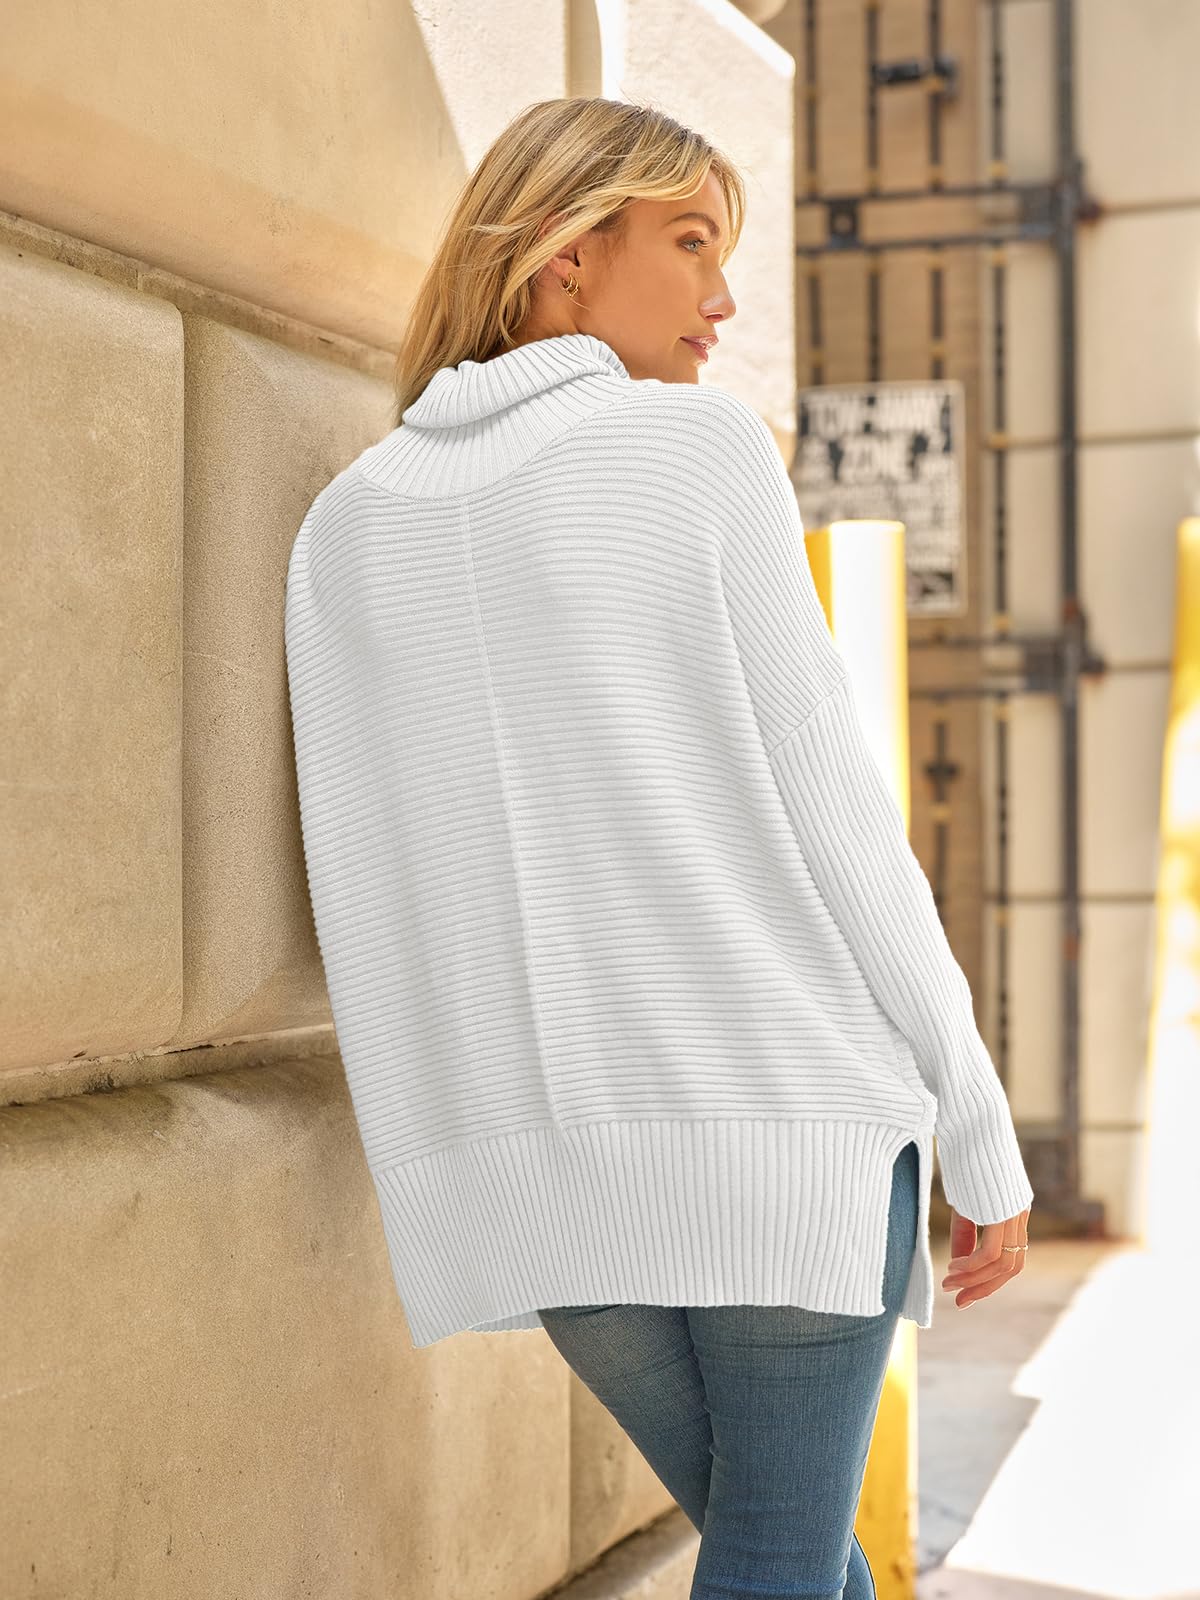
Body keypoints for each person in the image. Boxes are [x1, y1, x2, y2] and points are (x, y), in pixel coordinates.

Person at [283, 96, 1032, 1599]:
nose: (724, 297)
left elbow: (362, 886)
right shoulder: (695, 450)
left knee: (797, 1560)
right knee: (778, 1559)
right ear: (564, 252)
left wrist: (452, 1158)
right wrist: (974, 1113)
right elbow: (835, 807)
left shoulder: (346, 526)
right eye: (690, 243)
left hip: (539, 1176)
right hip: (781, 1125)